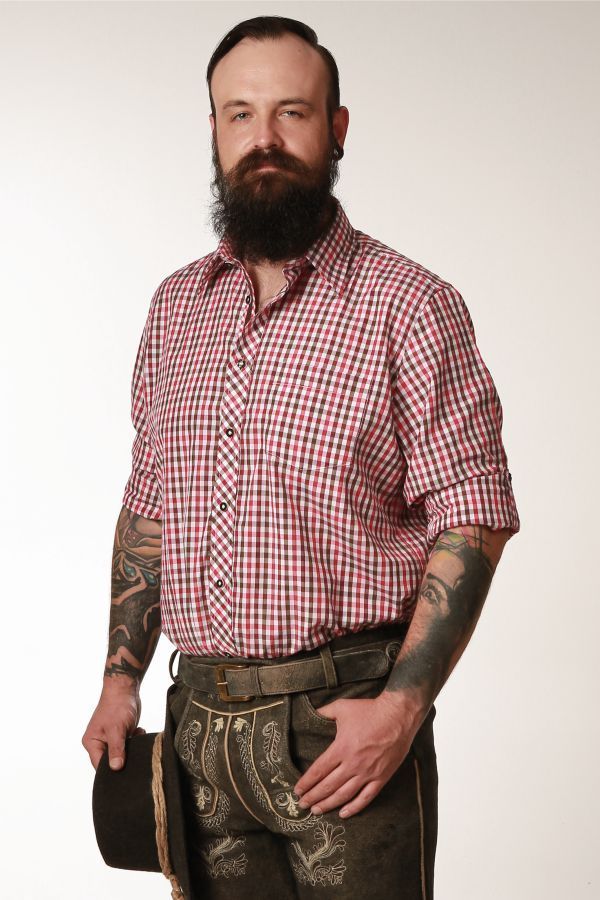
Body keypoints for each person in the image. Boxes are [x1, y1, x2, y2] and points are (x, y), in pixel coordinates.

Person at [83, 15, 520, 899]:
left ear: (337, 127)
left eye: (293, 112)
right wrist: (119, 681)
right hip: (200, 732)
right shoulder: (175, 309)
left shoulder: (411, 305)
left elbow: (473, 517)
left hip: (342, 730)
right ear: (214, 130)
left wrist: (403, 708)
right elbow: (150, 509)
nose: (266, 139)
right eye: (240, 114)